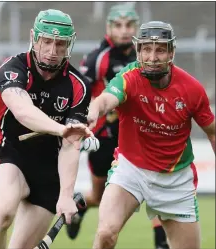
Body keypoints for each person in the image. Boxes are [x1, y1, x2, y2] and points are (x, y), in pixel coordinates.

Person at [87, 21, 215, 249]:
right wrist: (93, 112)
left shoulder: (192, 89)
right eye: (146, 49)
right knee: (106, 233)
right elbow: (107, 99)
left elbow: (212, 132)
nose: (152, 57)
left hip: (175, 180)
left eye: (160, 49)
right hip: (130, 171)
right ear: (138, 51)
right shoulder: (129, 77)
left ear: (171, 52)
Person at [67, 4, 169, 249]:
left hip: (136, 135)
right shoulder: (97, 59)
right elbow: (82, 95)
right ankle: (80, 204)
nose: (124, 31)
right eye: (118, 25)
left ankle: (161, 241)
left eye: (129, 25)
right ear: (109, 28)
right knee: (100, 196)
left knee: (153, 185)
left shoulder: (145, 55)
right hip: (104, 138)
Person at [0, 9, 93, 249]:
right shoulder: (13, 69)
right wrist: (60, 129)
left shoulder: (79, 86)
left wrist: (66, 195)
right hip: (10, 153)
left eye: (60, 44)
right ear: (33, 37)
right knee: (4, 213)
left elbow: (70, 144)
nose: (52, 51)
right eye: (46, 41)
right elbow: (23, 111)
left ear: (69, 44)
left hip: (50, 170)